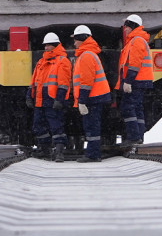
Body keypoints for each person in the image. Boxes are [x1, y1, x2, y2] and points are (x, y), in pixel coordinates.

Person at [28, 32, 72, 162]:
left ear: (56, 46)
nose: (46, 47)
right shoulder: (41, 62)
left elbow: (63, 83)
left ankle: (59, 151)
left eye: (49, 45)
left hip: (52, 100)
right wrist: (29, 96)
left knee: (56, 126)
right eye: (45, 45)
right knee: (38, 126)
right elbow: (34, 81)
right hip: (40, 100)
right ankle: (45, 149)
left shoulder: (62, 61)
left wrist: (59, 99)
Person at [71, 25, 111, 162]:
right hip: (95, 97)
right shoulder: (88, 54)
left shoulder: (86, 56)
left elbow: (86, 82)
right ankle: (93, 153)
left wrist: (82, 101)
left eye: (76, 39)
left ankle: (93, 155)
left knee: (91, 126)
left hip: (92, 97)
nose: (74, 43)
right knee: (93, 125)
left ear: (82, 39)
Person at [116, 14, 153, 146]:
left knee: (128, 107)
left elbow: (134, 64)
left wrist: (128, 81)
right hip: (141, 80)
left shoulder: (136, 41)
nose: (124, 29)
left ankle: (133, 137)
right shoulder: (137, 40)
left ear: (132, 26)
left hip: (136, 80)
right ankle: (139, 137)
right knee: (137, 108)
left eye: (126, 26)